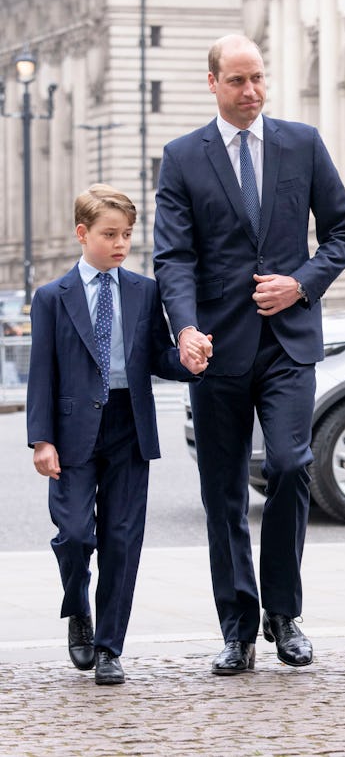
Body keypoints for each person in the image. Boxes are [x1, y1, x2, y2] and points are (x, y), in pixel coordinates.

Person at [153, 34, 345, 675]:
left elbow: (343, 232)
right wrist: (184, 328)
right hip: (214, 349)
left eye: (259, 79)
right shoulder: (183, 157)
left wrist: (301, 282)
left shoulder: (302, 143)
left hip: (289, 342)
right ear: (212, 82)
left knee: (295, 467)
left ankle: (285, 615)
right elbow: (173, 256)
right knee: (222, 495)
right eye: (238, 81)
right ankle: (237, 627)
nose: (252, 92)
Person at [26, 184, 204, 685]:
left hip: (129, 424)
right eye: (110, 234)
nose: (121, 243)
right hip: (71, 430)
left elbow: (158, 356)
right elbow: (41, 372)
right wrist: (41, 438)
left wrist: (190, 360)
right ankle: (78, 610)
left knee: (123, 542)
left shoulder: (144, 291)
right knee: (77, 534)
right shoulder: (51, 298)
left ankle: (109, 646)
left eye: (127, 234)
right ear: (83, 234)